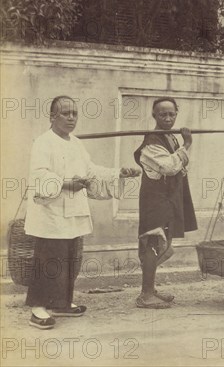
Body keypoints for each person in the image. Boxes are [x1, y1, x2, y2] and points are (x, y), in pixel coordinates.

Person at [25, 95, 140, 330]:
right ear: (52, 116)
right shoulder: (43, 142)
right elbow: (38, 176)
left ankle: (61, 303)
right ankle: (37, 308)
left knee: (68, 258)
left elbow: (91, 170)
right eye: (65, 113)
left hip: (74, 210)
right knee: (48, 258)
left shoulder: (76, 143)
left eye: (74, 113)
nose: (71, 117)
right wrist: (66, 183)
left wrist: (119, 172)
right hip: (51, 211)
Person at [133, 97, 198, 309]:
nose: (168, 118)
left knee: (163, 242)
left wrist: (182, 152)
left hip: (168, 199)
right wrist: (187, 144)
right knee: (152, 243)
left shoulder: (170, 138)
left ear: (176, 114)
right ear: (154, 116)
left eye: (172, 114)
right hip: (154, 200)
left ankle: (151, 290)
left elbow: (180, 167)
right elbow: (170, 167)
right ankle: (145, 294)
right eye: (163, 114)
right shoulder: (152, 141)